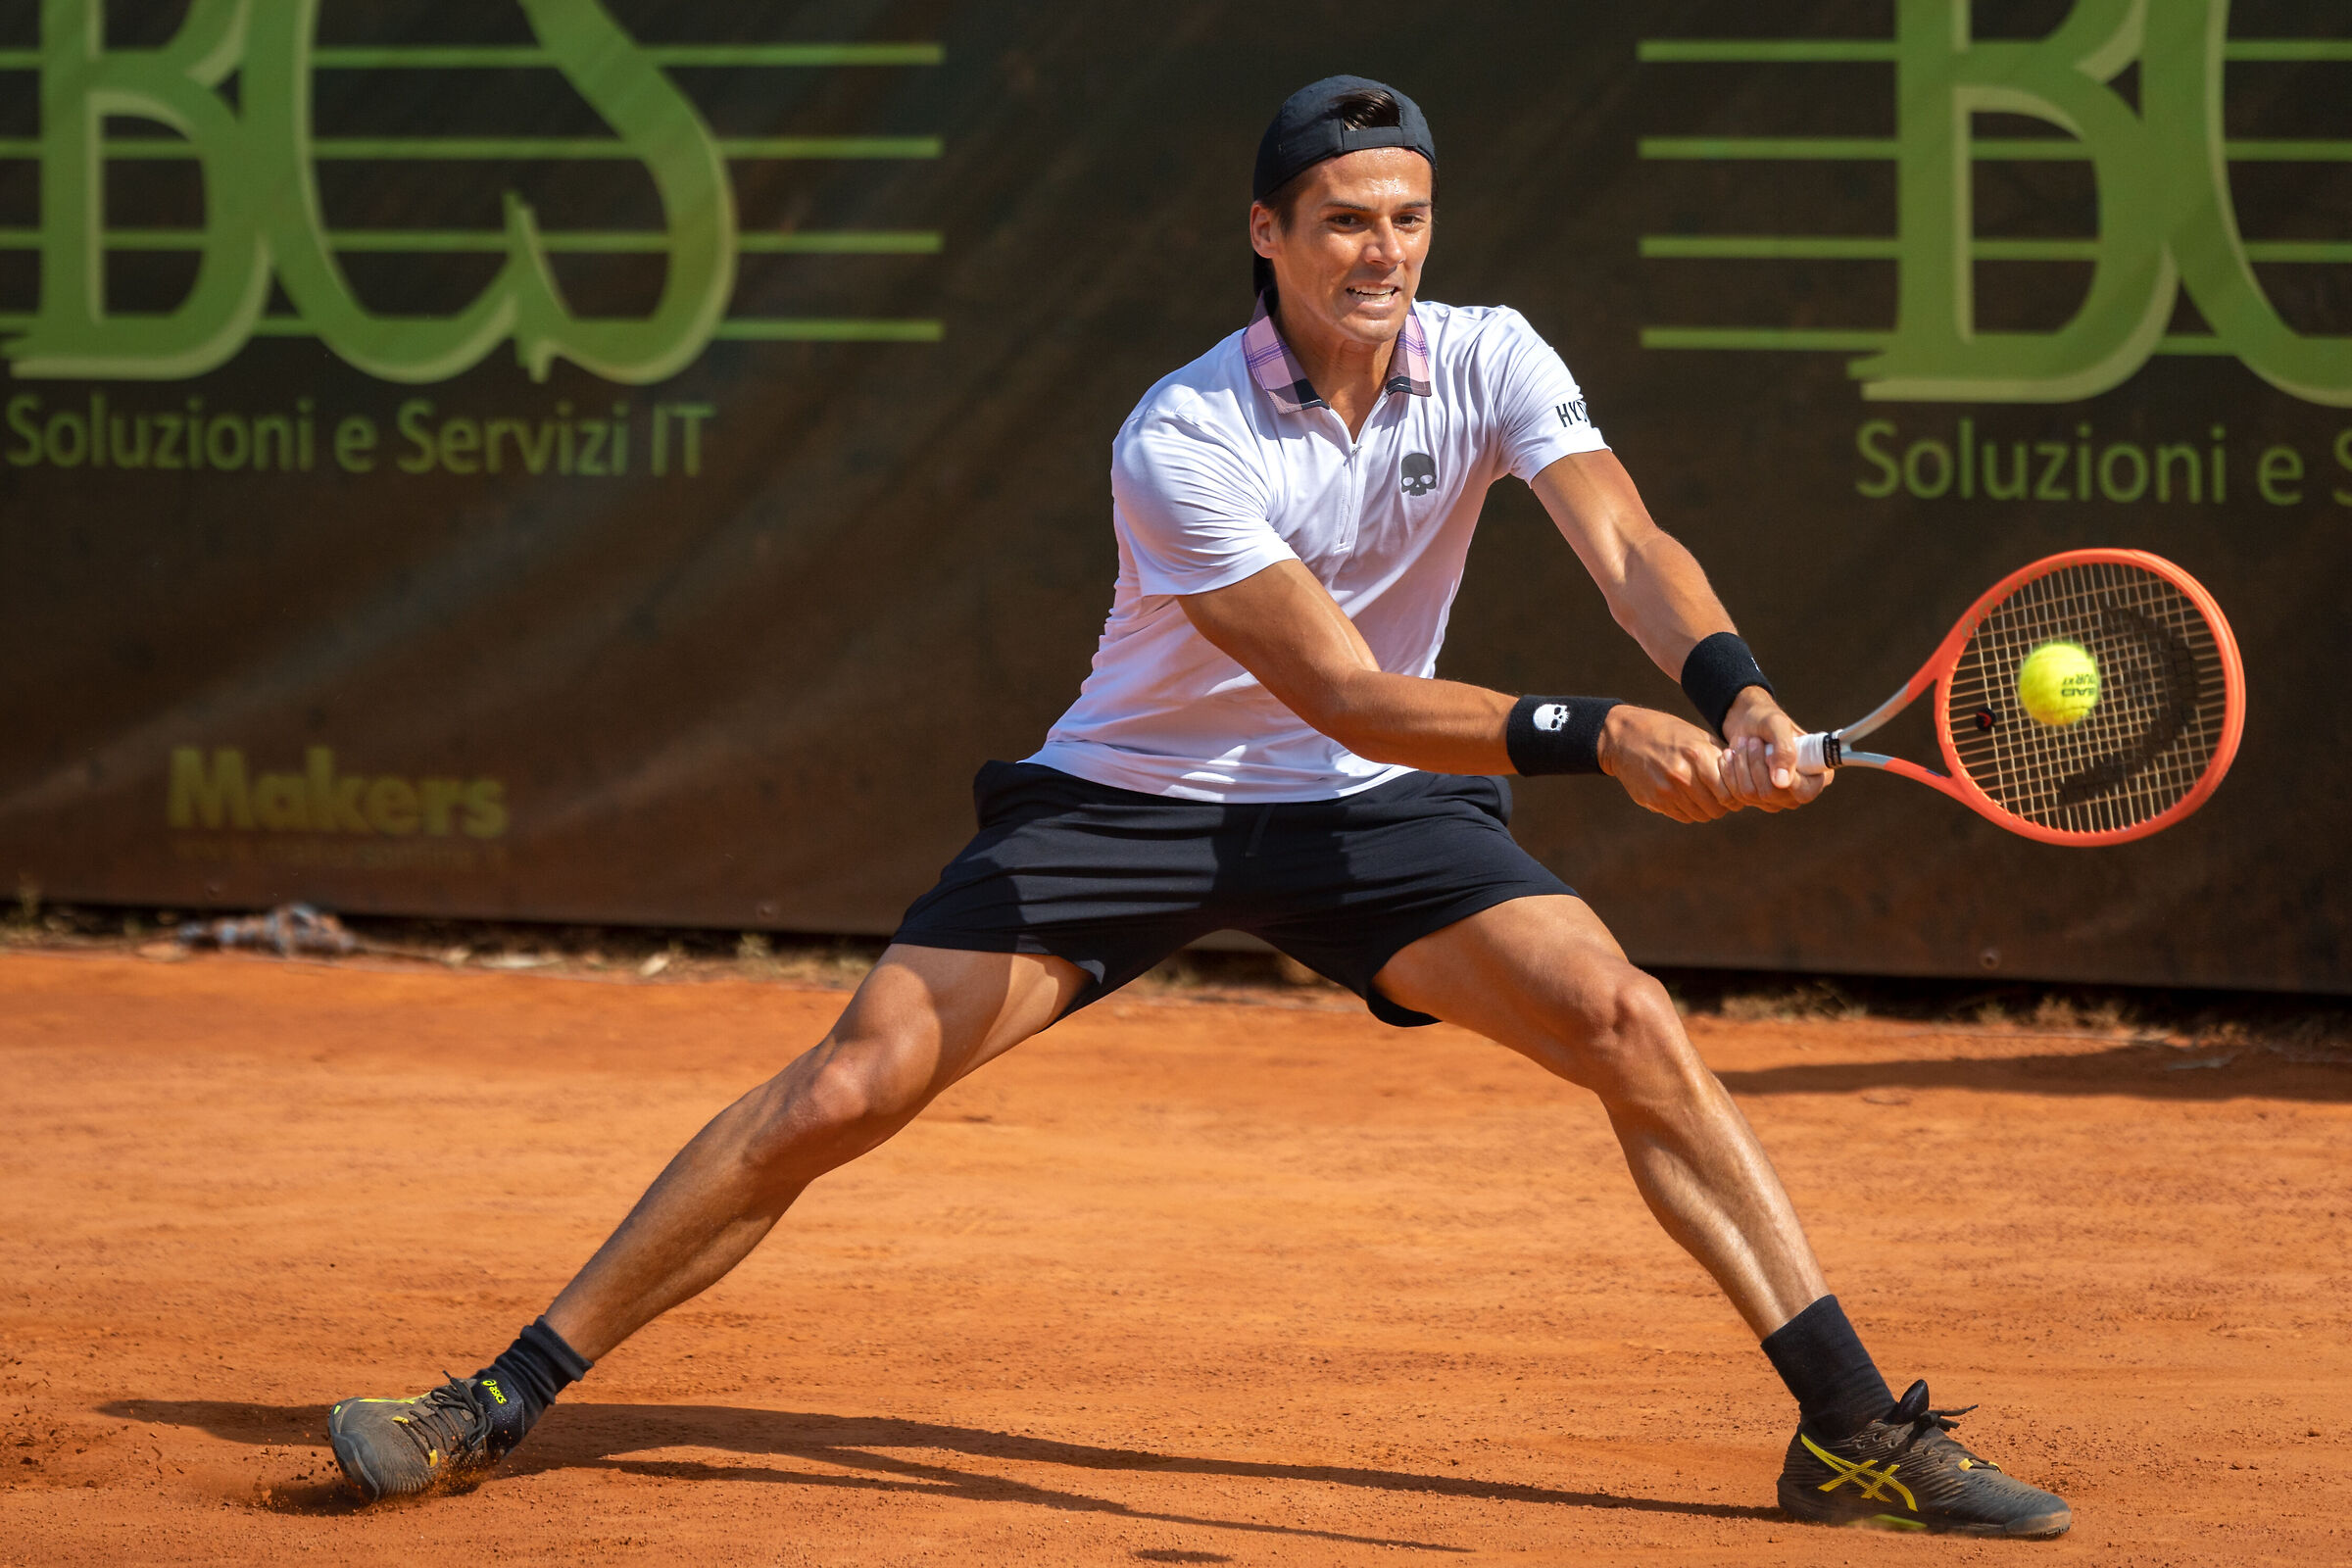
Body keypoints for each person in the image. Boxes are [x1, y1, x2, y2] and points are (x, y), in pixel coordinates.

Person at [326, 75, 2071, 1539]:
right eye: (1341, 221)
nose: (1381, 250)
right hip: (1132, 803)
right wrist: (1599, 735)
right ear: (1268, 236)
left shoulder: (1493, 356)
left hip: (1373, 819)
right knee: (844, 1089)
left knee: (1626, 1016)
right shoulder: (1184, 434)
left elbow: (1625, 545)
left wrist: (1732, 690)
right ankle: (500, 1395)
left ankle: (1850, 1428)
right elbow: (1341, 687)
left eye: (1405, 215)